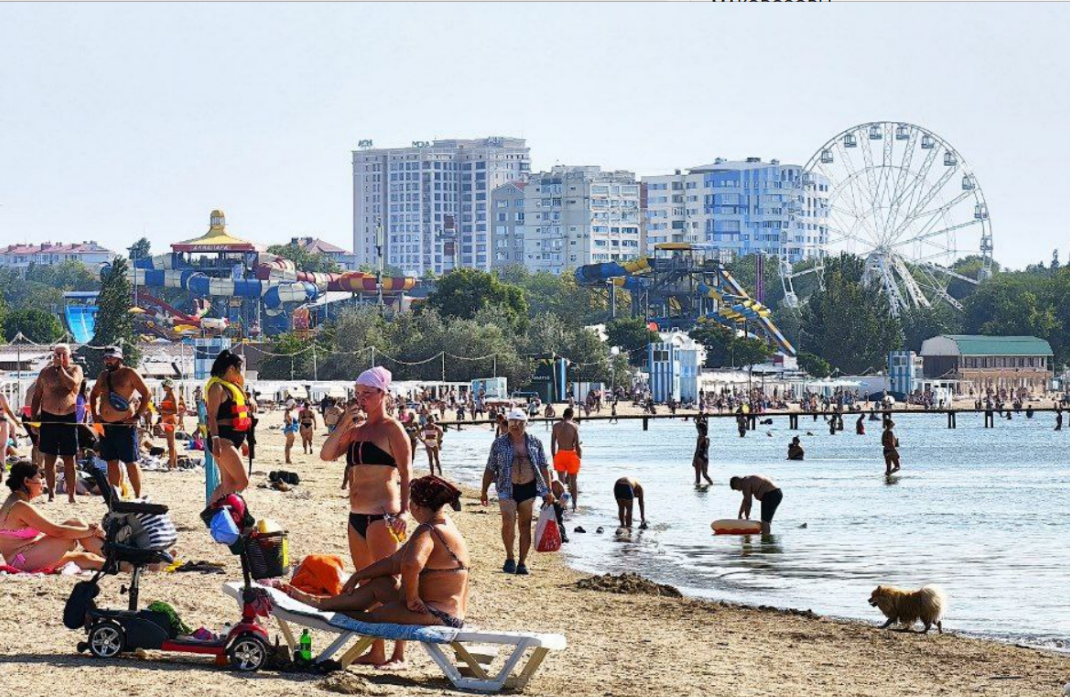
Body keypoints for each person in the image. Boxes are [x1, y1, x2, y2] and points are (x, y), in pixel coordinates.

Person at [274, 475, 469, 630]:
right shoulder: (445, 525)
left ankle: (321, 612)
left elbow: (411, 565)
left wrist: (412, 599)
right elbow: (394, 562)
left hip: (438, 614)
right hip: (439, 609)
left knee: (373, 618)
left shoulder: (428, 530)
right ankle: (320, 603)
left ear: (416, 506)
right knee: (382, 583)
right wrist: (359, 575)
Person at [320, 366, 411, 669]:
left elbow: (407, 473)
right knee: (365, 585)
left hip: (383, 516)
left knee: (389, 585)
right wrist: (346, 420)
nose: (362, 399)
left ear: (383, 394)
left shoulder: (392, 429)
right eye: (357, 394)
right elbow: (326, 453)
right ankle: (377, 651)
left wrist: (405, 511)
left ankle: (399, 653)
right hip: (356, 515)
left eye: (367, 394)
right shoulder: (356, 430)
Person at [481, 408, 554, 576]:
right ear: (508, 423)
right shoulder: (499, 443)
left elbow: (544, 467)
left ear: (526, 424)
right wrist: (484, 491)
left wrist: (548, 491)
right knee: (508, 521)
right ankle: (509, 557)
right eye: (513, 422)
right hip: (507, 487)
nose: (516, 426)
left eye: (520, 423)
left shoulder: (535, 442)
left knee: (525, 526)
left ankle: (522, 562)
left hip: (528, 488)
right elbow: (490, 467)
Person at [0, 461, 106, 571]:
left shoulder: (13, 501)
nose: (42, 482)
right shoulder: (20, 506)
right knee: (77, 524)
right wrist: (90, 531)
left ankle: (118, 563)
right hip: (21, 560)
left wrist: (86, 530)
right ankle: (112, 553)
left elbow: (53, 528)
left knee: (87, 558)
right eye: (39, 478)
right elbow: (58, 531)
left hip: (27, 555)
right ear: (27, 481)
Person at [89, 346, 151, 498]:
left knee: (131, 462)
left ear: (120, 358)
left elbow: (146, 393)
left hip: (125, 425)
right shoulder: (103, 376)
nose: (108, 360)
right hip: (106, 425)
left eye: (111, 357)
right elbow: (94, 394)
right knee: (111, 461)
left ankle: (138, 494)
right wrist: (95, 415)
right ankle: (115, 493)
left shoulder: (129, 373)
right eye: (106, 358)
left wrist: (137, 415)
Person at [32, 343, 84, 503]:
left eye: (63, 354)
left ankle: (71, 493)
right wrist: (34, 420)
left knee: (69, 458)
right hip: (49, 417)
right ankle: (52, 493)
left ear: (69, 356)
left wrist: (60, 368)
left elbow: (72, 386)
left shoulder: (75, 370)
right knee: (50, 458)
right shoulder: (45, 373)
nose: (60, 358)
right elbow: (37, 396)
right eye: (57, 354)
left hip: (68, 417)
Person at [205, 350, 252, 503]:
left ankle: (213, 517)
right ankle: (217, 513)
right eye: (239, 369)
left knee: (228, 482)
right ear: (231, 368)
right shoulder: (217, 387)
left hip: (234, 437)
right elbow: (211, 415)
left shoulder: (234, 386)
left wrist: (243, 441)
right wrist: (216, 439)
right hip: (222, 438)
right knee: (242, 481)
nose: (240, 374)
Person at [551, 407, 582, 511]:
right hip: (571, 454)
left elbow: (552, 444)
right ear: (572, 415)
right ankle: (574, 505)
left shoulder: (556, 426)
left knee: (561, 482)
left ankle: (563, 505)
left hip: (559, 454)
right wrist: (579, 456)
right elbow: (577, 445)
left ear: (563, 415)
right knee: (573, 481)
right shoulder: (574, 426)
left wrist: (554, 456)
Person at [158, 380, 180, 471]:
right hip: (167, 420)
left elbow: (176, 411)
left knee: (170, 444)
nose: (163, 387)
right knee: (172, 444)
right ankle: (174, 464)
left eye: (164, 385)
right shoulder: (168, 394)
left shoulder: (172, 395)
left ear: (169, 386)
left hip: (170, 420)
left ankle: (171, 465)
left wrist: (162, 411)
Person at [692, 418, 713, 486]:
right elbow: (706, 449)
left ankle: (697, 490)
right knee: (705, 475)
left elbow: (697, 449)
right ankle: (711, 484)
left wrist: (694, 460)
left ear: (700, 429)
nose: (697, 430)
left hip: (699, 457)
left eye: (698, 429)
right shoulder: (707, 439)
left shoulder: (700, 438)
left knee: (698, 478)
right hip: (705, 457)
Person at [0, 391, 18, 466]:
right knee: (2, 447)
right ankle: (2, 467)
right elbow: (8, 410)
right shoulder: (1, 396)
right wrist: (17, 421)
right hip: (2, 421)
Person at [282, 400, 298, 465]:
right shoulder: (288, 413)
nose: (295, 406)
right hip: (290, 429)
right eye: (294, 405)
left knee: (289, 445)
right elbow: (290, 421)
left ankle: (288, 459)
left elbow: (287, 420)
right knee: (288, 445)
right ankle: (287, 460)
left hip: (289, 429)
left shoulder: (288, 412)